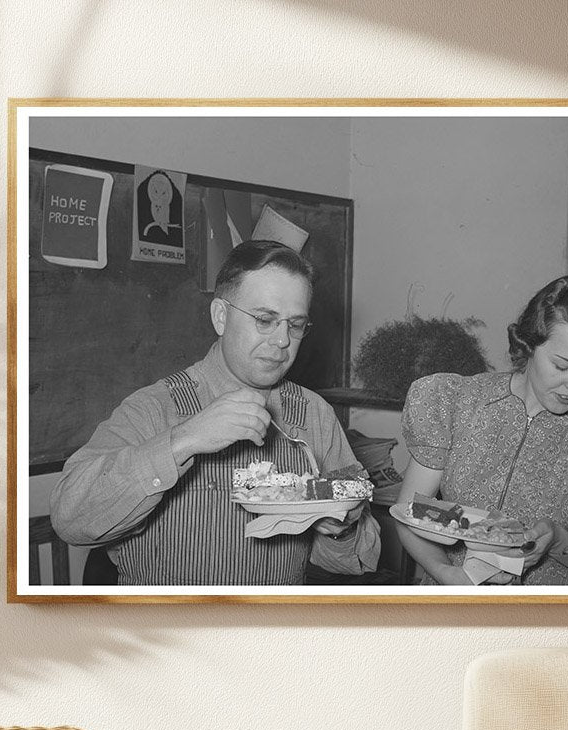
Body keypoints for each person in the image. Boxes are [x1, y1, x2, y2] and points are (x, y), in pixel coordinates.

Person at [50, 240, 380, 585]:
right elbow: (69, 519)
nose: (283, 340)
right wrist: (183, 440)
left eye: (295, 325)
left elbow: (357, 560)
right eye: (265, 320)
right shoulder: (153, 408)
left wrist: (342, 526)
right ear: (220, 317)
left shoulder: (315, 415)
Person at [396, 274, 568, 585]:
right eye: (563, 366)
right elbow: (409, 513)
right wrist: (448, 574)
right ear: (528, 344)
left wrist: (558, 541)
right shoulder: (455, 402)